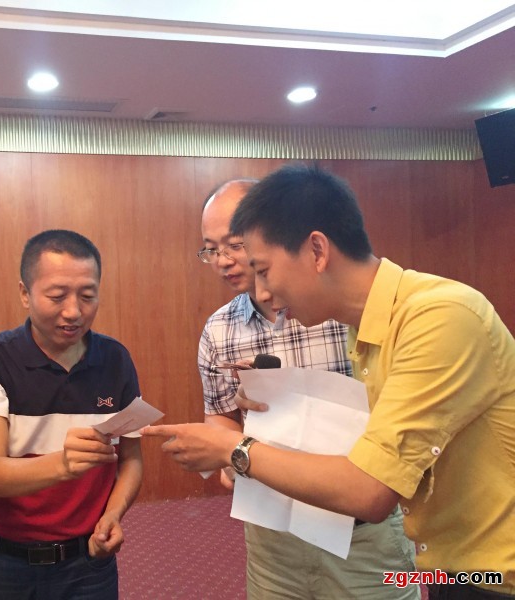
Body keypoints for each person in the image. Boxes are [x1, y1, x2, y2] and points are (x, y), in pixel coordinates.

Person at [144, 164, 515, 597]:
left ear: (317, 251)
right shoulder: (366, 329)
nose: (261, 293)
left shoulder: (439, 316)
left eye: (263, 269)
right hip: (451, 567)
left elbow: (369, 491)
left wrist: (235, 449)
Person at [197, 178, 417, 599]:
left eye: (235, 244)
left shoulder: (343, 307)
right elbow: (221, 417)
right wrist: (229, 454)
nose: (223, 260)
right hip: (272, 530)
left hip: (359, 528)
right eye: (210, 249)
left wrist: (239, 451)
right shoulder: (218, 329)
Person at [0, 229, 143, 600]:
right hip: (2, 562)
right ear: (25, 293)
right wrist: (64, 464)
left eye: (87, 296)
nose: (73, 311)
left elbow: (131, 460)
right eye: (57, 296)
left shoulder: (116, 360)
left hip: (88, 564)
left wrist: (113, 515)